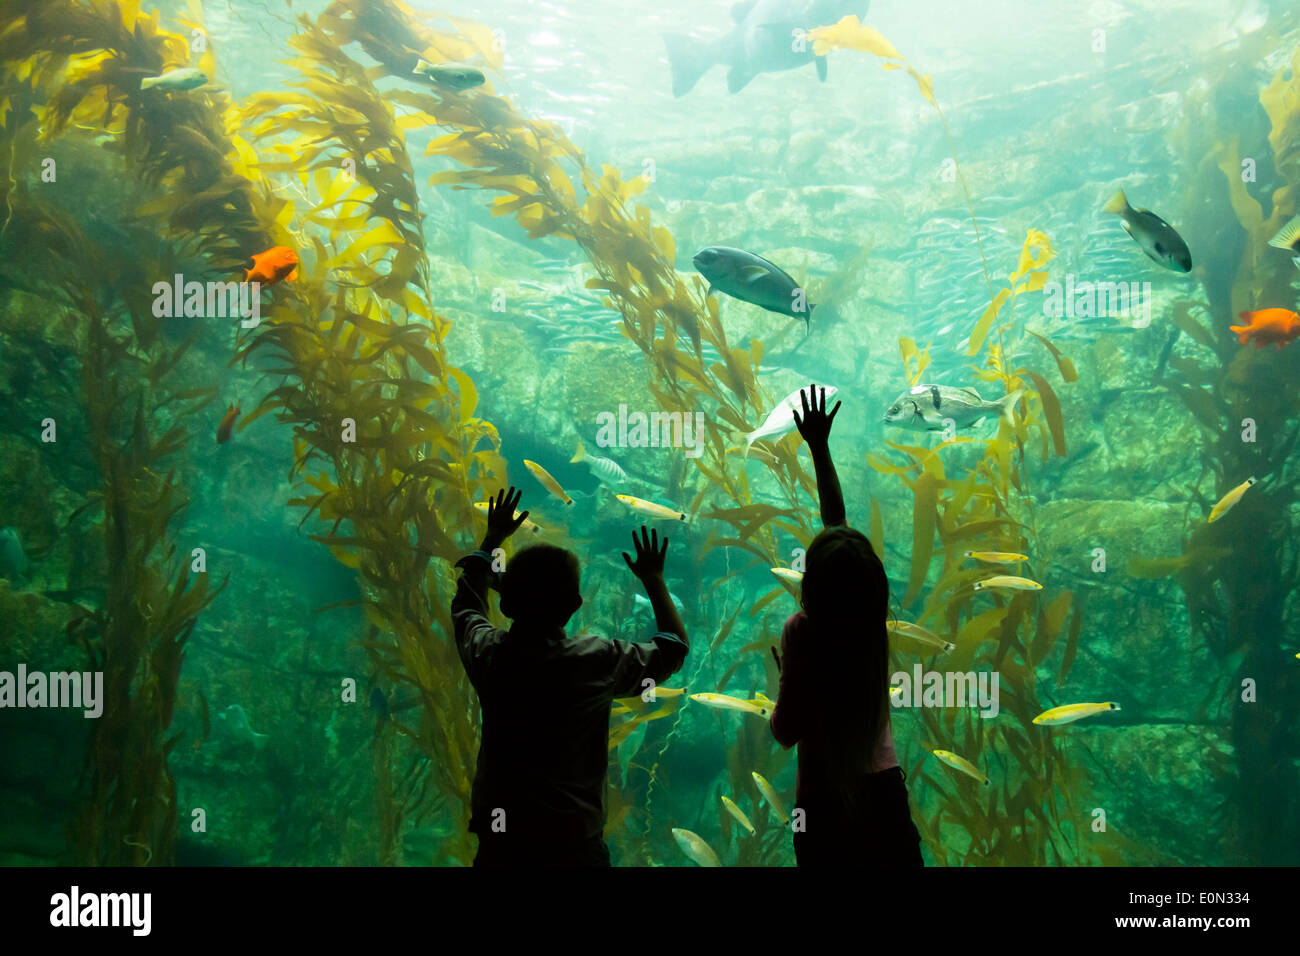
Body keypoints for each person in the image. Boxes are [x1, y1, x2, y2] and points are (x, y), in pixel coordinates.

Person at [451, 487, 689, 867]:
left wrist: (493, 539)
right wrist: (653, 579)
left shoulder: (491, 655)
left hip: (502, 843)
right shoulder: (596, 661)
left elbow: (466, 607)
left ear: (507, 603)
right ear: (575, 605)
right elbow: (673, 647)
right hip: (575, 847)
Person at [768, 385, 924, 867]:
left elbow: (785, 731)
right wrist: (820, 447)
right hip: (883, 794)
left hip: (822, 805)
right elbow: (838, 527)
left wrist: (785, 681)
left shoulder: (803, 631)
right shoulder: (870, 619)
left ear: (809, 587)